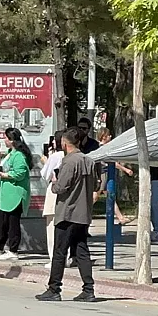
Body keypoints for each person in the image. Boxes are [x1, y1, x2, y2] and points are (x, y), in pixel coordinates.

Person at [38, 126, 99, 302]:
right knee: (81, 251)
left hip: (67, 212)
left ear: (65, 143)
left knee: (59, 252)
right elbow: (95, 184)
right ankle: (89, 289)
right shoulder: (89, 160)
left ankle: (54, 288)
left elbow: (60, 187)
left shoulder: (69, 161)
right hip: (83, 212)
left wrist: (55, 181)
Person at [0, 128, 31, 261]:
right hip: (4, 194)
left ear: (13, 140)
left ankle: (13, 250)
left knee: (13, 223)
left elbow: (20, 173)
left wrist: (6, 175)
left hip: (15, 194)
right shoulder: (10, 153)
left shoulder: (19, 155)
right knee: (0, 222)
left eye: (7, 138)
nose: (4, 140)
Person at [40, 131, 64, 268]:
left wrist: (46, 161)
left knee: (51, 227)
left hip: (54, 191)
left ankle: (54, 258)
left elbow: (45, 175)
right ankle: (64, 257)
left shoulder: (55, 156)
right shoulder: (71, 155)